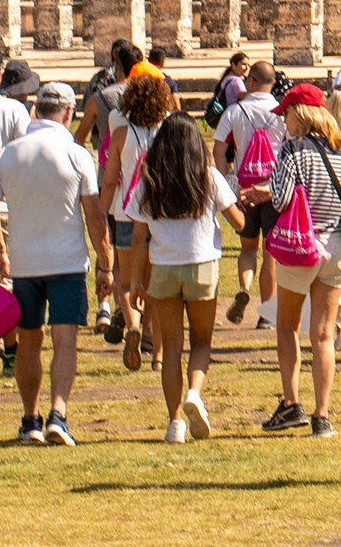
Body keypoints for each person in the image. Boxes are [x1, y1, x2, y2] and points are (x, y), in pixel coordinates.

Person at [0, 81, 109, 443]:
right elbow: (95, 216)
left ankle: (30, 418)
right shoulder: (77, 154)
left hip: (24, 264)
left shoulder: (9, 153)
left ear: (36, 109)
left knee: (29, 340)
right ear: (69, 113)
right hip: (67, 262)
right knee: (65, 341)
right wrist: (106, 262)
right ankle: (58, 415)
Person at [124, 110, 239, 443]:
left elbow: (137, 237)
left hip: (162, 269)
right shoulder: (209, 177)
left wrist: (135, 282)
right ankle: (194, 393)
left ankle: (175, 423)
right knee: (201, 342)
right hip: (202, 266)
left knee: (171, 348)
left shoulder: (150, 179)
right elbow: (239, 222)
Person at [262, 84, 341, 438]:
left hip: (303, 244)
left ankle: (291, 403)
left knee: (287, 326)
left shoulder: (292, 149)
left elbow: (281, 198)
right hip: (338, 246)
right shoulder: (340, 149)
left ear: (299, 115)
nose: (284, 120)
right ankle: (323, 415)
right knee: (324, 334)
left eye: (286, 113)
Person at [101, 71, 176, 371]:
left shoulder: (121, 133)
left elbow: (110, 181)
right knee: (154, 282)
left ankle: (132, 324)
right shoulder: (169, 131)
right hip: (159, 213)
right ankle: (154, 347)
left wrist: (101, 212)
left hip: (126, 211)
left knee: (125, 278)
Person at [212, 59, 284, 325]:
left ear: (251, 81)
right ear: (272, 83)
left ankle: (244, 288)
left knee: (248, 248)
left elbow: (219, 149)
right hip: (273, 188)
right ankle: (266, 313)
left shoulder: (235, 111)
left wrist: (226, 180)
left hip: (244, 188)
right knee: (270, 253)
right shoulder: (281, 112)